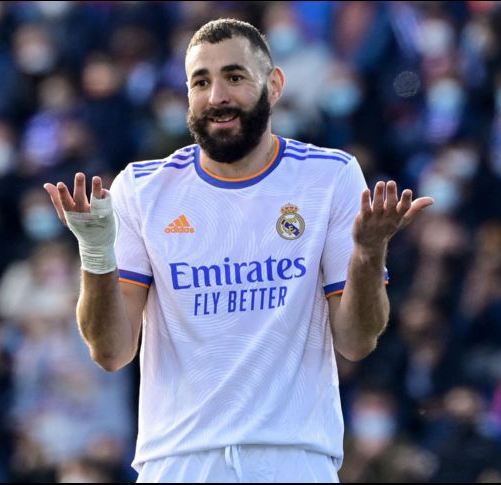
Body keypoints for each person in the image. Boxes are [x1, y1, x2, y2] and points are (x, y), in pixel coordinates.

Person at [43, 18, 433, 483]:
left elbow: (356, 340)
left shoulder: (329, 178)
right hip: (179, 461)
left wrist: (369, 255)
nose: (217, 97)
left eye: (234, 77)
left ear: (274, 85)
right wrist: (96, 253)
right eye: (201, 82)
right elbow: (110, 352)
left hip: (293, 458)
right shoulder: (142, 190)